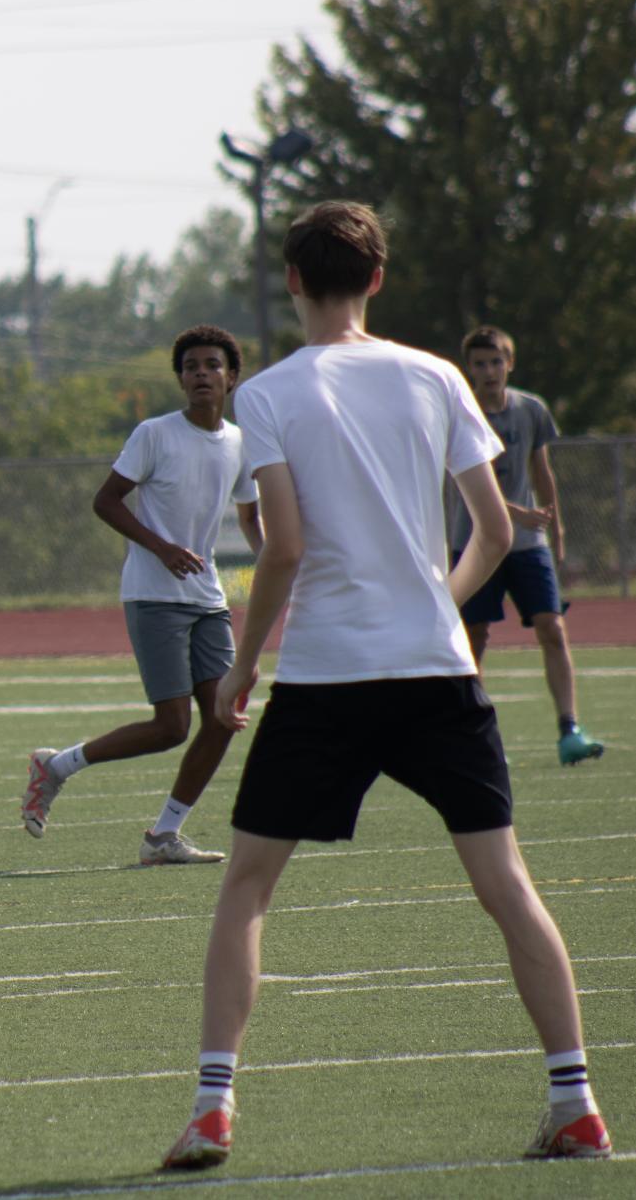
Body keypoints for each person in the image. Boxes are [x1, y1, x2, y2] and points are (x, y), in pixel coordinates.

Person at [161, 201, 612, 1169]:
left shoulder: (272, 392)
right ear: (376, 278)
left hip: (326, 674)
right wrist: (441, 604)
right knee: (507, 883)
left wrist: (243, 664)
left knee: (245, 885)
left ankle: (212, 1104)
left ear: (292, 280)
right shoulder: (438, 373)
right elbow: (494, 528)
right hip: (434, 669)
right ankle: (575, 1097)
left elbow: (281, 545)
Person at [21, 325, 264, 865]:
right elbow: (105, 501)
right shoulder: (154, 433)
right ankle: (56, 767)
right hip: (154, 594)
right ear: (180, 379)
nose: (202, 373)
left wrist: (270, 557)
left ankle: (163, 837)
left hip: (207, 598)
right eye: (192, 366)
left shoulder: (240, 442)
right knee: (172, 726)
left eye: (212, 365)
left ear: (231, 377)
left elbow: (250, 515)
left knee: (224, 716)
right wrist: (163, 548)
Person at [451, 326, 605, 767]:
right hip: (475, 542)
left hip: (526, 545)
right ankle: (466, 730)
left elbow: (542, 472)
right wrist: (515, 513)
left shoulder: (530, 409)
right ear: (470, 369)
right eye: (479, 363)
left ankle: (569, 728)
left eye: (496, 361)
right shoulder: (460, 412)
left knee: (551, 627)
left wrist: (554, 530)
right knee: (472, 636)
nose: (488, 371)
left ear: (509, 363)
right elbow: (463, 484)